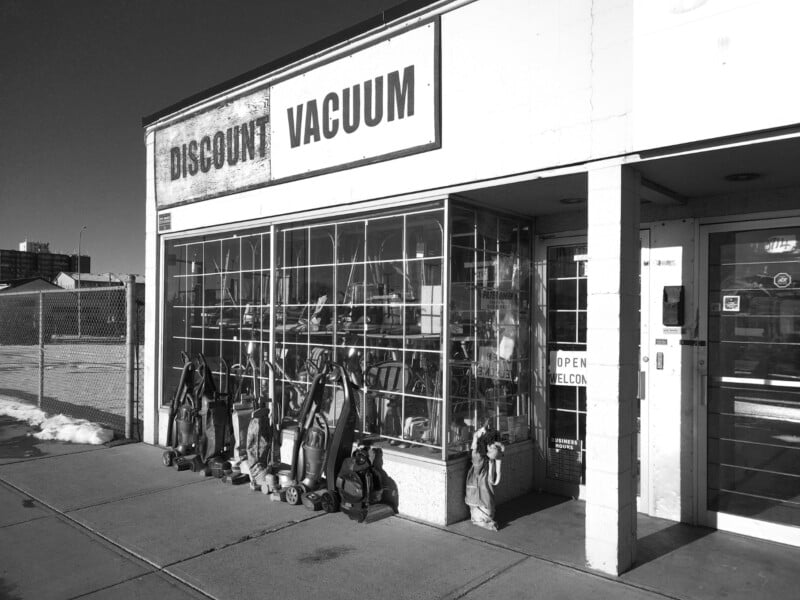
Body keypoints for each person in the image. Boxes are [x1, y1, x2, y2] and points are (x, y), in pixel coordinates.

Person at [465, 425, 505, 531]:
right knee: (486, 502)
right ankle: (484, 519)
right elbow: (476, 456)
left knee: (485, 503)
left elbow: (476, 455)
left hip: (482, 494)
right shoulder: (484, 462)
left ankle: (484, 519)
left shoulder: (485, 462)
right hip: (483, 497)